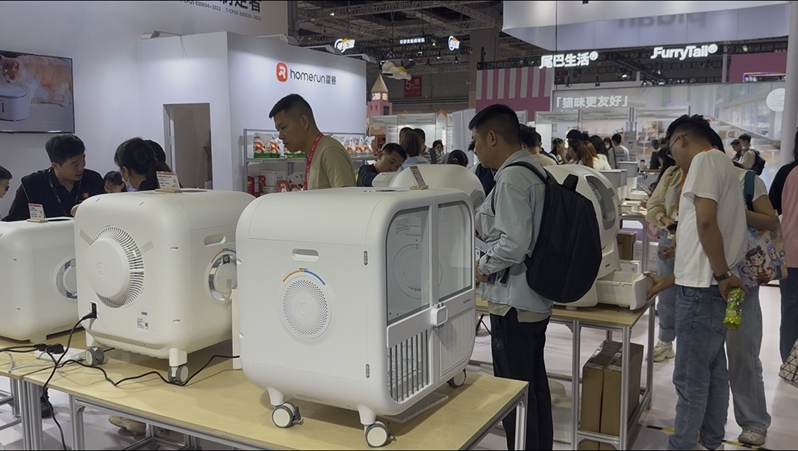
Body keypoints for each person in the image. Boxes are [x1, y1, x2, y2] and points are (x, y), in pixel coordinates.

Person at [646, 114, 748, 451]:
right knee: (713, 371)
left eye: (671, 148)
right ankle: (712, 440)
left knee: (689, 377)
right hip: (707, 287)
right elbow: (699, 240)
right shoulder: (722, 164)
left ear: (682, 140)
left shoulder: (704, 161)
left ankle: (682, 444)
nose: (672, 156)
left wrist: (721, 276)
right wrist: (669, 280)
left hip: (702, 292)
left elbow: (705, 224)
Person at [471, 103, 553, 450]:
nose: (475, 149)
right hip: (533, 299)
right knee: (534, 388)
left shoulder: (511, 179)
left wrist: (482, 267)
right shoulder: (534, 170)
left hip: (513, 304)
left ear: (492, 137)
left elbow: (515, 243)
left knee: (514, 395)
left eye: (476, 141)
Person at [725, 163, 778, 447]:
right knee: (706, 356)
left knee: (743, 354)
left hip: (742, 282)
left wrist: (736, 209)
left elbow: (770, 220)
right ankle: (709, 418)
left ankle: (754, 421)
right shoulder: (690, 177)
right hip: (705, 278)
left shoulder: (747, 180)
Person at [3, 134, 105, 222]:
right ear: (55, 166)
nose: (81, 168)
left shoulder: (93, 179)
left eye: (82, 161)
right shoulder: (32, 185)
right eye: (75, 164)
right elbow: (14, 221)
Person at [269, 94, 355, 190]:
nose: (280, 136)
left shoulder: (330, 152)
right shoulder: (314, 153)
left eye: (283, 127)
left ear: (304, 122)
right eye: (278, 130)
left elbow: (346, 197)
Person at [644, 149, 682, 363]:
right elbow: (653, 206)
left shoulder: (711, 171)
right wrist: (666, 220)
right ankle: (666, 340)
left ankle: (686, 342)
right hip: (670, 236)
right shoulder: (672, 173)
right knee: (666, 292)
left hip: (700, 237)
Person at [769, 127, 798, 365]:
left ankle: (790, 363)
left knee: (790, 309)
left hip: (791, 252)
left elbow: (771, 210)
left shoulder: (786, 172)